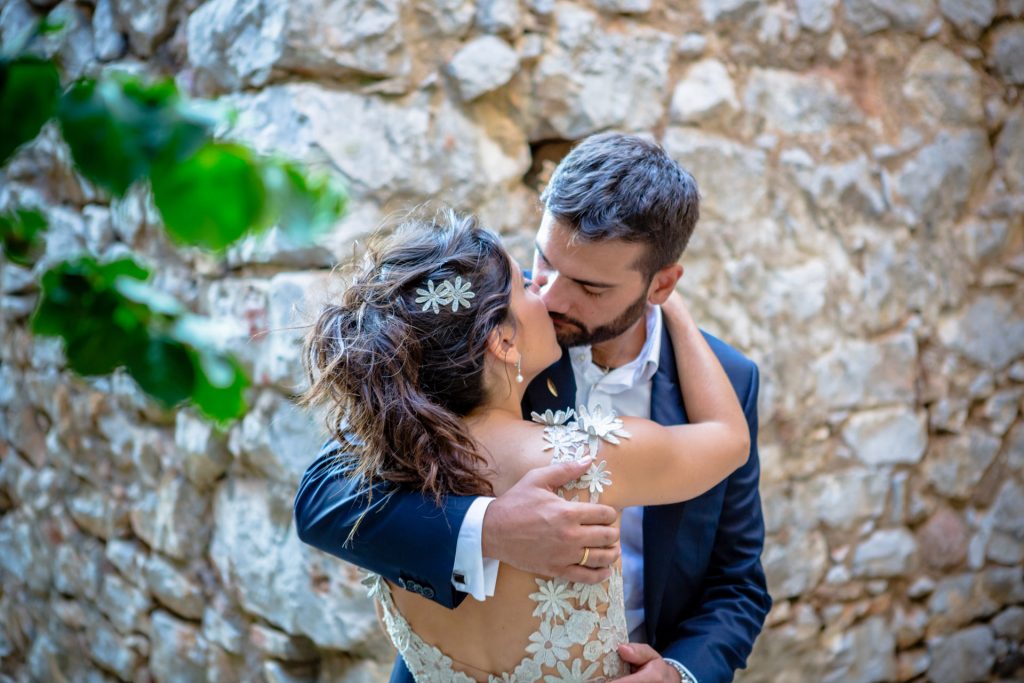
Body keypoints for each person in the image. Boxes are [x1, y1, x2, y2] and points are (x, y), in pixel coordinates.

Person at [295, 133, 771, 683]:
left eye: (589, 287)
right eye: (543, 261)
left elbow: (737, 583)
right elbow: (324, 499)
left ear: (661, 284)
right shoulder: (480, 329)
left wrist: (682, 674)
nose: (548, 296)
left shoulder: (730, 380)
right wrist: (489, 528)